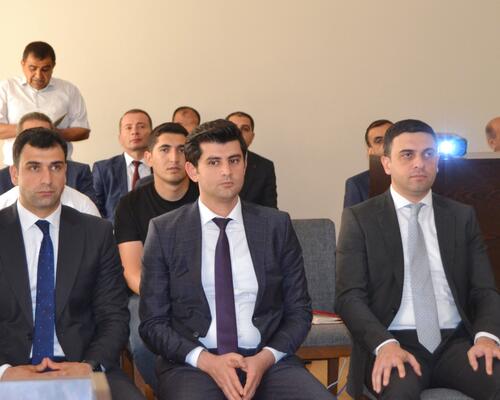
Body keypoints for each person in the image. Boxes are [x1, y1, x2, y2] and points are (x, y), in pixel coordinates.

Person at [139, 119, 334, 400]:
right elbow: (153, 323)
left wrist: (265, 358)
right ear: (192, 170)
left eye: (234, 160)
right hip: (193, 365)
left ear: (245, 164)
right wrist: (206, 361)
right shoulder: (165, 231)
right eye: (214, 162)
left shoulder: (275, 226)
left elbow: (299, 311)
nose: (227, 171)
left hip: (268, 361)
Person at [336, 119, 500, 399]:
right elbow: (348, 297)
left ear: (437, 162)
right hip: (394, 341)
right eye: (407, 155)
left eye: (428, 154)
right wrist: (383, 344)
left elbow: (485, 290)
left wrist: (486, 336)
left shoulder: (461, 216)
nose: (419, 163)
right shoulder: (360, 218)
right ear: (386, 163)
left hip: (456, 342)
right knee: (399, 393)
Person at [0, 128, 144, 400]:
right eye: (34, 167)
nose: (47, 179)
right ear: (14, 174)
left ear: (66, 172)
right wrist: (4, 371)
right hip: (10, 368)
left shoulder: (96, 233)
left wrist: (88, 366)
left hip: (82, 364)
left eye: (56, 167)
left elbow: (113, 316)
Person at [114, 122, 199, 390]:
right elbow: (132, 272)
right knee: (144, 341)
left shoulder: (206, 197)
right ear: (148, 158)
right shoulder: (130, 204)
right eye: (164, 149)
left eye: (182, 150)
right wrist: (169, 298)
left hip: (203, 293)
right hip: (146, 294)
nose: (174, 158)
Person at [0, 41, 90, 165]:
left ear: (53, 66)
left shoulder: (69, 90)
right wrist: (29, 128)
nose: (38, 75)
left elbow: (83, 131)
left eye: (45, 69)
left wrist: (54, 133)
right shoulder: (6, 88)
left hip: (58, 166)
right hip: (17, 167)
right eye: (32, 68)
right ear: (23, 64)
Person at [0, 112, 95, 201]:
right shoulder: (2, 180)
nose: (47, 180)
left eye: (44, 135)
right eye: (34, 168)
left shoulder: (79, 174)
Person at [92, 109, 152, 221]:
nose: (135, 132)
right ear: (120, 138)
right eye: (128, 128)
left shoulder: (162, 167)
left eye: (141, 126)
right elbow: (94, 210)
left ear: (152, 135)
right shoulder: (103, 169)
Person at [226, 111, 277, 208]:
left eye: (245, 129)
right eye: (233, 128)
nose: (239, 133)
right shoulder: (209, 162)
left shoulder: (265, 166)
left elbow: (270, 208)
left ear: (252, 136)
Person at [343, 119, 393, 208]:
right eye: (378, 141)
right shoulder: (357, 184)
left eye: (390, 138)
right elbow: (350, 217)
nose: (385, 144)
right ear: (370, 151)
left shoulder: (416, 174)